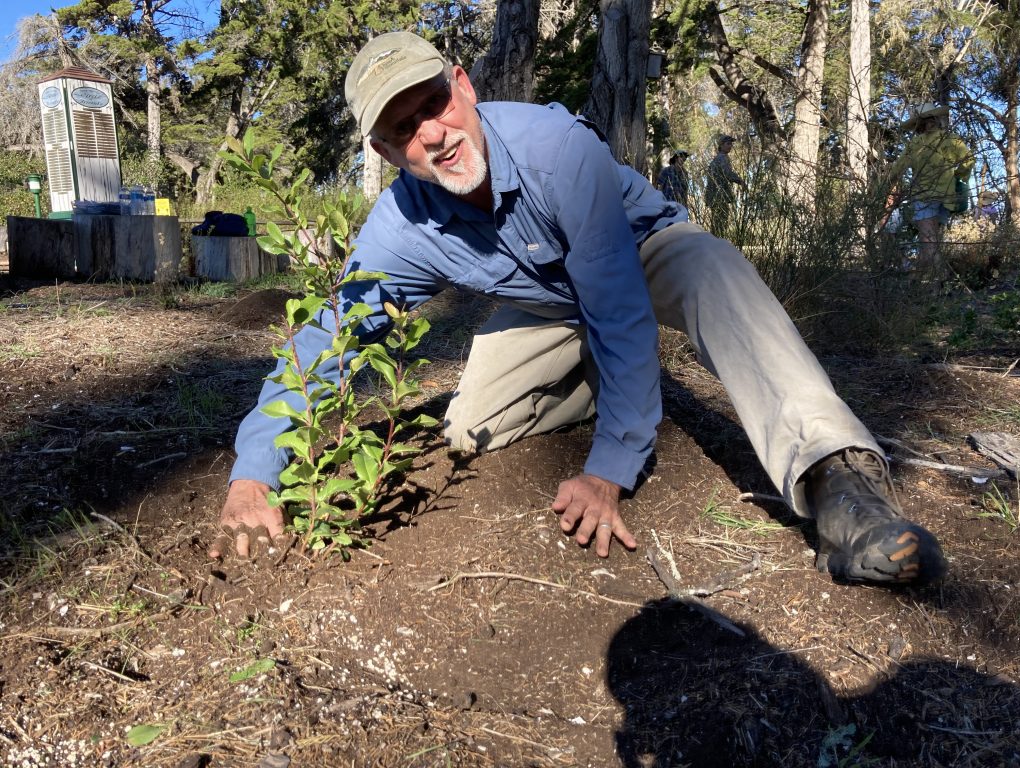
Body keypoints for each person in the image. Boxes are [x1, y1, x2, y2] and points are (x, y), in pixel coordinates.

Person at [211, 32, 945, 586]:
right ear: (385, 149)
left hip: (641, 255)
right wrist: (255, 472)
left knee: (714, 270)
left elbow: (620, 303)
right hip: (550, 306)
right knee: (469, 427)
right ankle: (616, 384)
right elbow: (329, 338)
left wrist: (609, 468)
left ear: (461, 85)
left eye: (432, 104)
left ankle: (838, 480)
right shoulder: (399, 226)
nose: (430, 132)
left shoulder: (555, 148)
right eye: (403, 129)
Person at [888, 102, 973, 273]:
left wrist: (887, 183)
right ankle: (923, 281)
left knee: (929, 241)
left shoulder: (915, 144)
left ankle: (937, 283)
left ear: (919, 124)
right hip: (948, 197)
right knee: (932, 240)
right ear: (936, 119)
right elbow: (968, 160)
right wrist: (958, 177)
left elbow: (898, 169)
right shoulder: (951, 139)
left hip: (924, 196)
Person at [704, 135, 746, 237]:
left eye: (731, 144)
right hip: (719, 196)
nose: (730, 146)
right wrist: (741, 181)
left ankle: (714, 244)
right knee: (720, 223)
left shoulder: (716, 159)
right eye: (728, 144)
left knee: (717, 223)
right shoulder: (723, 157)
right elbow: (727, 174)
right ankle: (717, 246)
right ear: (721, 145)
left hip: (714, 196)